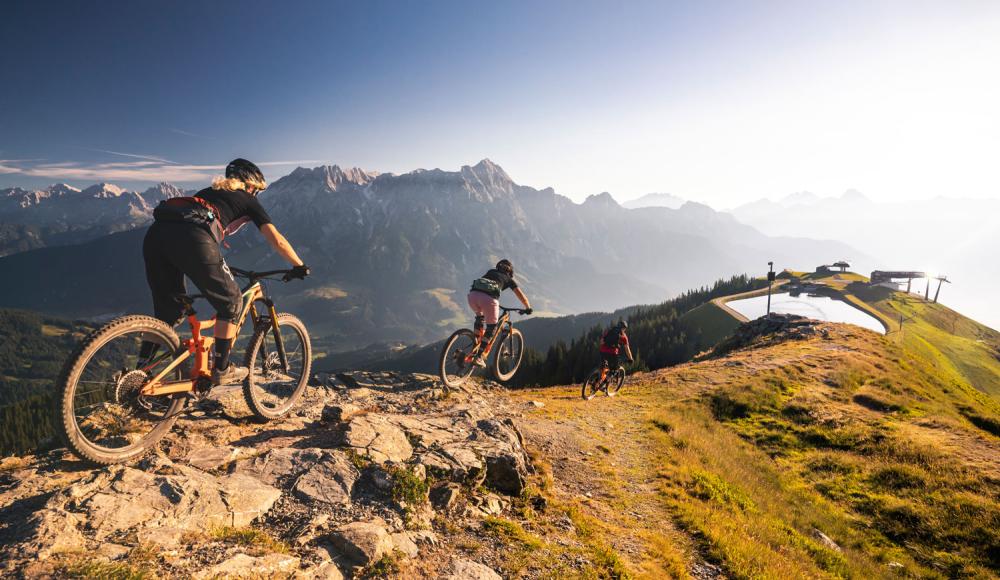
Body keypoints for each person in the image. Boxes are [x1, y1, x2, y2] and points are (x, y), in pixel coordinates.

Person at [141, 158, 310, 385]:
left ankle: (138, 376)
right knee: (232, 302)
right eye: (257, 191)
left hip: (155, 236)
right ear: (251, 186)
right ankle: (221, 369)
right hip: (193, 238)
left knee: (168, 313)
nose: (256, 195)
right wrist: (299, 265)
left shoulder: (208, 192)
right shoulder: (248, 200)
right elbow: (276, 240)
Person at [467, 259, 532, 367]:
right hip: (488, 299)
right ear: (510, 271)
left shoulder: (491, 272)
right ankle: (478, 356)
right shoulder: (509, 279)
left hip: (472, 296)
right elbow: (521, 296)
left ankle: (475, 342)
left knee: (480, 317)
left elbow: (483, 285)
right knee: (491, 327)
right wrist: (528, 307)